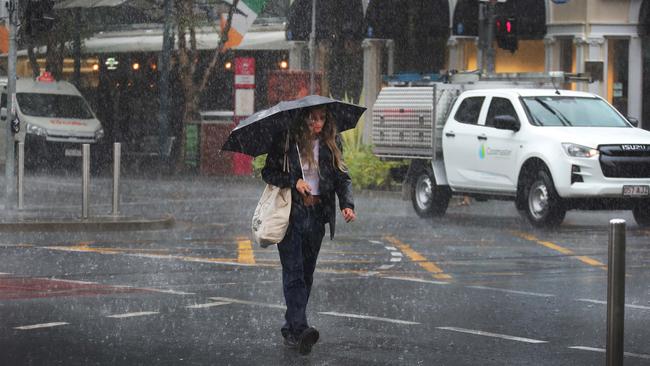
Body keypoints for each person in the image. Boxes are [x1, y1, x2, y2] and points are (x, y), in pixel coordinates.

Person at [262, 105, 356, 355]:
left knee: (306, 275)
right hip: (291, 216)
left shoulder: (331, 142)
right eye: (313, 118)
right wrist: (294, 181)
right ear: (303, 119)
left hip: (316, 217)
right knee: (293, 273)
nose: (318, 123)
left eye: (322, 118)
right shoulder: (286, 140)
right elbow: (268, 172)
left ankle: (291, 329)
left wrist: (347, 205)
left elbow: (342, 177)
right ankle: (302, 329)